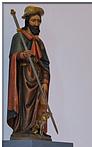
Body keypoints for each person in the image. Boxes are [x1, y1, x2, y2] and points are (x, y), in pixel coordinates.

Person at [7, 5, 51, 140]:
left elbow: (45, 64)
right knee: (25, 104)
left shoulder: (39, 43)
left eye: (38, 21)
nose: (36, 24)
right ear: (27, 21)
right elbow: (13, 57)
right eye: (33, 21)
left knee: (39, 104)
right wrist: (21, 55)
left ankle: (37, 128)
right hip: (24, 78)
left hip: (38, 78)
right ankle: (24, 128)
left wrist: (44, 82)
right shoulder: (18, 37)